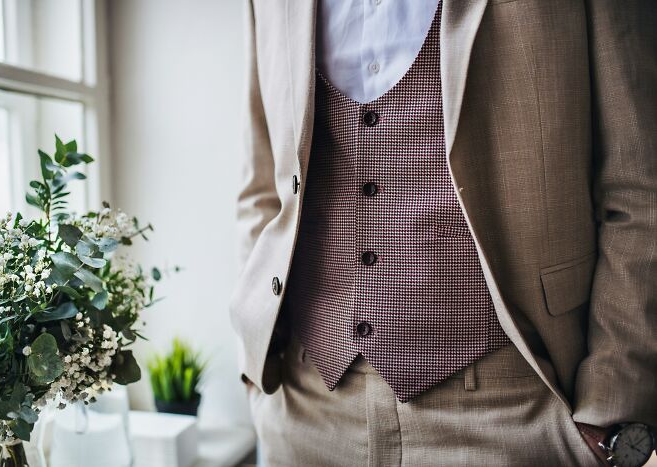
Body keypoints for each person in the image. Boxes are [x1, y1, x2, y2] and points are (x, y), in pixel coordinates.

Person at [230, 0, 657, 465]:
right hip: (305, 409)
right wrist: (254, 370)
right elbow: (262, 188)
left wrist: (611, 404)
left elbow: (639, 186)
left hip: (516, 410)